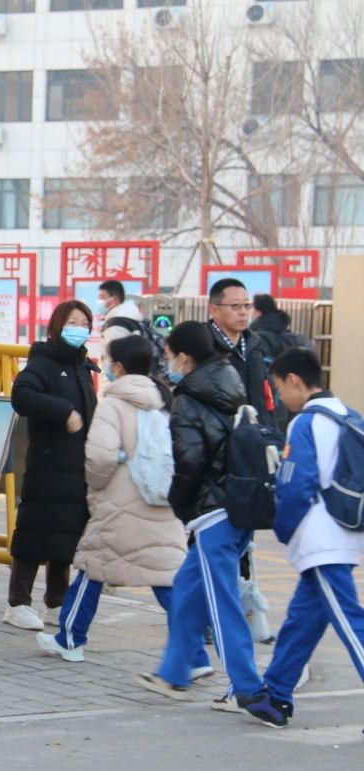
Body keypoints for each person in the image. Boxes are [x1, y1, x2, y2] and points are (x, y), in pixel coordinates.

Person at [35, 335, 196, 667]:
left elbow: (100, 457)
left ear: (119, 367)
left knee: (92, 568)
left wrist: (96, 487)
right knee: (163, 575)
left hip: (120, 501)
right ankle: (195, 654)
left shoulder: (114, 403)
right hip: (161, 500)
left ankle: (69, 639)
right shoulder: (163, 399)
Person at [139, 321, 265, 704]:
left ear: (184, 357)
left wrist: (178, 503)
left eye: (170, 356)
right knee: (186, 589)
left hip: (213, 514)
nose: (169, 364)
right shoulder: (231, 383)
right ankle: (174, 672)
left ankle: (247, 690)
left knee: (221, 603)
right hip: (237, 506)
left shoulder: (189, 400)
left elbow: (190, 462)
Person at [238, 348, 364, 728]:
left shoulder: (306, 423)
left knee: (349, 621)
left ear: (294, 381)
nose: (280, 398)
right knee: (302, 620)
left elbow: (295, 486)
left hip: (321, 540)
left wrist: (284, 528)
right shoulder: (349, 415)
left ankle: (275, 695)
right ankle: (275, 696)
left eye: (279, 388)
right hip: (345, 532)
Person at [5, 301, 98, 630]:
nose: (79, 328)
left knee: (65, 536)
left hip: (76, 466)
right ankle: (18, 603)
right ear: (57, 325)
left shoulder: (83, 366)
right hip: (47, 463)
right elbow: (22, 396)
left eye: (85, 323)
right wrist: (63, 411)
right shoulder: (43, 362)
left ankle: (56, 604)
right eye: (73, 322)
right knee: (34, 532)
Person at [208, 277, 277, 642]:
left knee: (245, 533)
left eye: (246, 306)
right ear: (214, 309)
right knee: (214, 538)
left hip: (251, 454)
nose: (242, 312)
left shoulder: (255, 345)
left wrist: (270, 439)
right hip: (217, 454)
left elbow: (264, 399)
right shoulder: (206, 346)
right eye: (234, 306)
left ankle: (246, 611)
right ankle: (210, 616)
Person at [251, 293, 312, 433]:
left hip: (270, 401)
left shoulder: (257, 338)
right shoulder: (290, 336)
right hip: (295, 399)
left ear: (258, 312)